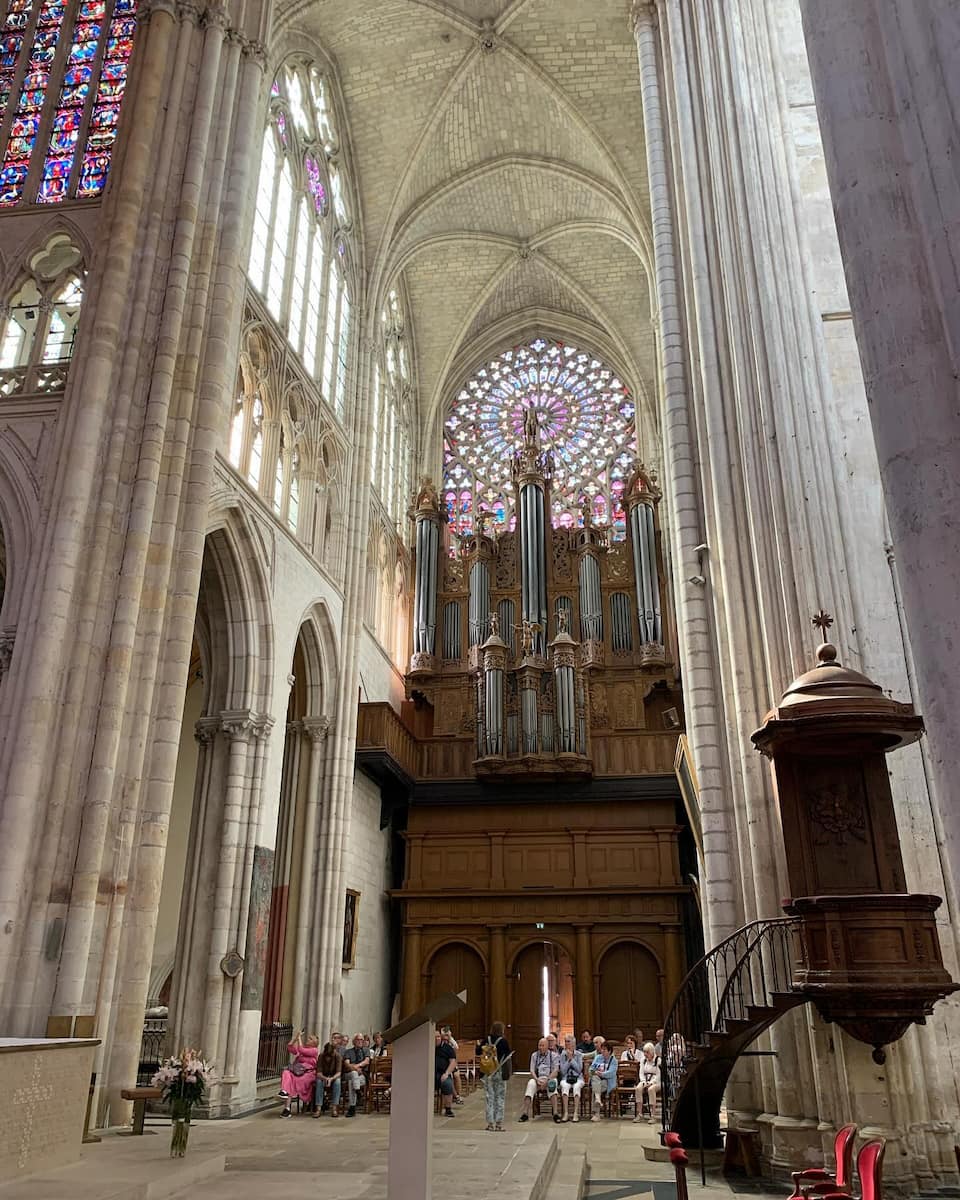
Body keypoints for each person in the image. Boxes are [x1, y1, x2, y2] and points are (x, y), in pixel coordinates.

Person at [477, 1019, 512, 1132]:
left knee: (489, 1097)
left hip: (487, 1073)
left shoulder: (486, 1040)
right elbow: (508, 1055)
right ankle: (499, 1124)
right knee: (500, 1097)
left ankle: (490, 1124)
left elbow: (478, 1051)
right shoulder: (503, 1042)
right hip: (499, 1072)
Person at [278, 1030, 319, 1117]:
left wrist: (299, 1038)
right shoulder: (303, 1048)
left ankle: (286, 1106)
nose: (308, 1039)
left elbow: (301, 1050)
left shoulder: (314, 1050)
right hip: (297, 1072)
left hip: (307, 1074)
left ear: (315, 1043)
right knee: (286, 1073)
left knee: (291, 1082)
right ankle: (287, 1106)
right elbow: (290, 1047)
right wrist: (295, 1038)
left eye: (310, 1039)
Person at [520, 1037, 560, 1123]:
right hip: (538, 1078)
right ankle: (525, 1113)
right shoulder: (534, 1055)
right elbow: (531, 1070)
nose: (540, 1047)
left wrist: (547, 1080)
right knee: (530, 1084)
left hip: (549, 1078)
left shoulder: (554, 1055)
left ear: (547, 1046)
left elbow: (556, 1071)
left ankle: (556, 1113)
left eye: (542, 1045)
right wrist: (536, 1079)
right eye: (539, 1045)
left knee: (553, 1084)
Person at [342, 1032, 370, 1117]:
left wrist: (356, 1066)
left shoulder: (366, 1050)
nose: (360, 1041)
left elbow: (367, 1061)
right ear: (354, 1041)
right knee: (353, 1074)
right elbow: (347, 1064)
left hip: (362, 1076)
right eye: (358, 1039)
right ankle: (358, 1092)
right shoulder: (348, 1051)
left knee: (352, 1082)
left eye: (362, 1039)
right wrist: (355, 1069)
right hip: (349, 1074)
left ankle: (352, 1108)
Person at [589, 1040, 617, 1122]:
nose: (602, 1051)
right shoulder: (598, 1057)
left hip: (607, 1082)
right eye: (602, 1049)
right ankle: (598, 1099)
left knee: (595, 1087)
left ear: (609, 1051)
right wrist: (595, 1073)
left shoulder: (614, 1061)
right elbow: (591, 1069)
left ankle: (596, 1114)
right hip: (597, 1079)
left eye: (604, 1050)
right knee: (595, 1080)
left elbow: (611, 1073)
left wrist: (601, 1074)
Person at [558, 1034, 584, 1123]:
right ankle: (566, 1113)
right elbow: (563, 1071)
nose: (566, 1043)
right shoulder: (562, 1055)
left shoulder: (579, 1054)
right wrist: (569, 1060)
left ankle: (575, 1113)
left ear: (573, 1043)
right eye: (565, 1041)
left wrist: (571, 1059)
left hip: (578, 1078)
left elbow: (579, 1070)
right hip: (566, 1078)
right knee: (565, 1086)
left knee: (576, 1087)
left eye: (568, 1041)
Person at [313, 1040, 342, 1117]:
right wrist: (325, 1078)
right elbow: (318, 1073)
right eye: (327, 1056)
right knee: (319, 1082)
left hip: (334, 1077)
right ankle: (318, 1108)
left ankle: (334, 1108)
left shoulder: (337, 1056)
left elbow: (339, 1072)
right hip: (323, 1076)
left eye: (330, 1057)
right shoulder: (321, 1056)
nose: (328, 1058)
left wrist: (331, 1079)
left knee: (337, 1082)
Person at [634, 1042, 661, 1123]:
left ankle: (653, 1116)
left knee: (651, 1089)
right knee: (638, 1088)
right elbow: (641, 1073)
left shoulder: (658, 1060)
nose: (645, 1054)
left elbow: (658, 1074)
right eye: (644, 1052)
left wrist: (651, 1083)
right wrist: (643, 1081)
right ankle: (639, 1114)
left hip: (656, 1081)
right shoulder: (643, 1060)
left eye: (647, 1052)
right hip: (645, 1080)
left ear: (652, 1052)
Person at [435, 1028, 458, 1117]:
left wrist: (447, 1073)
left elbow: (453, 1062)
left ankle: (448, 1109)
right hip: (428, 1074)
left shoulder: (447, 1048)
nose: (437, 1039)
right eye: (435, 1037)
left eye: (438, 1037)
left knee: (447, 1083)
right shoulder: (427, 1047)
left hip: (442, 1074)